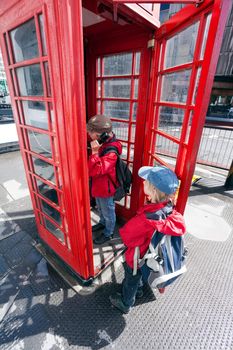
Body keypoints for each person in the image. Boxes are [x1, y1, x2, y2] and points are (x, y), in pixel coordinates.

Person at [109, 165, 186, 313]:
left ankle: (126, 303)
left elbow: (127, 237)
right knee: (137, 278)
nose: (143, 182)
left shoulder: (147, 218)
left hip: (137, 258)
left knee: (130, 279)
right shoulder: (170, 211)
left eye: (146, 182)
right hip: (151, 258)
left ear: (153, 190)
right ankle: (138, 290)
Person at [87, 114, 122, 245]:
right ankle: (102, 223)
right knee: (101, 209)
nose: (90, 137)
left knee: (108, 211)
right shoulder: (103, 142)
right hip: (98, 186)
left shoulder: (111, 152)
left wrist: (95, 153)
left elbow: (94, 170)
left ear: (102, 135)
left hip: (106, 188)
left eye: (92, 135)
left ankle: (109, 233)